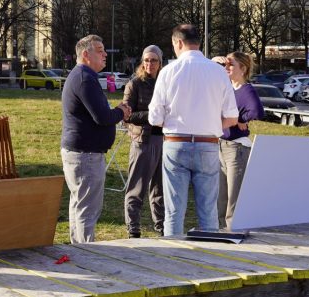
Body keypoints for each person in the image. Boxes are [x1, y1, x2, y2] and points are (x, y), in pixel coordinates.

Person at [148, 24, 238, 234]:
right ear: (199, 43)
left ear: (178, 43)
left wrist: (173, 122)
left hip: (175, 143)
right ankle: (209, 259)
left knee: (173, 212)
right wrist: (211, 123)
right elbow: (232, 117)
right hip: (208, 144)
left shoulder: (168, 71)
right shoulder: (218, 72)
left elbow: (154, 118)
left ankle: (174, 257)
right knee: (208, 211)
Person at [61, 34, 131, 243]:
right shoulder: (84, 78)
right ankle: (86, 254)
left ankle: (78, 250)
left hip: (80, 152)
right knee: (87, 210)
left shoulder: (82, 76)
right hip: (86, 155)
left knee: (79, 204)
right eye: (99, 50)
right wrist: (121, 111)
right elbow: (102, 117)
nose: (105, 55)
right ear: (85, 54)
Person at [121, 45, 165, 238]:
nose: (150, 64)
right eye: (146, 60)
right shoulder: (135, 84)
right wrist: (153, 115)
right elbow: (127, 115)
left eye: (154, 60)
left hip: (165, 140)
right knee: (136, 187)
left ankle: (162, 226)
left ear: (160, 62)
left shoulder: (165, 83)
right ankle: (134, 228)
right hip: (142, 141)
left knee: (160, 188)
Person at [218, 51, 264, 229]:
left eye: (231, 64)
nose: (226, 67)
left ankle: (232, 231)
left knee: (233, 196)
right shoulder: (228, 88)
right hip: (221, 146)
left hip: (236, 149)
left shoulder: (246, 90)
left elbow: (257, 112)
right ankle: (219, 230)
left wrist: (239, 119)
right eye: (226, 64)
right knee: (220, 195)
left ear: (243, 68)